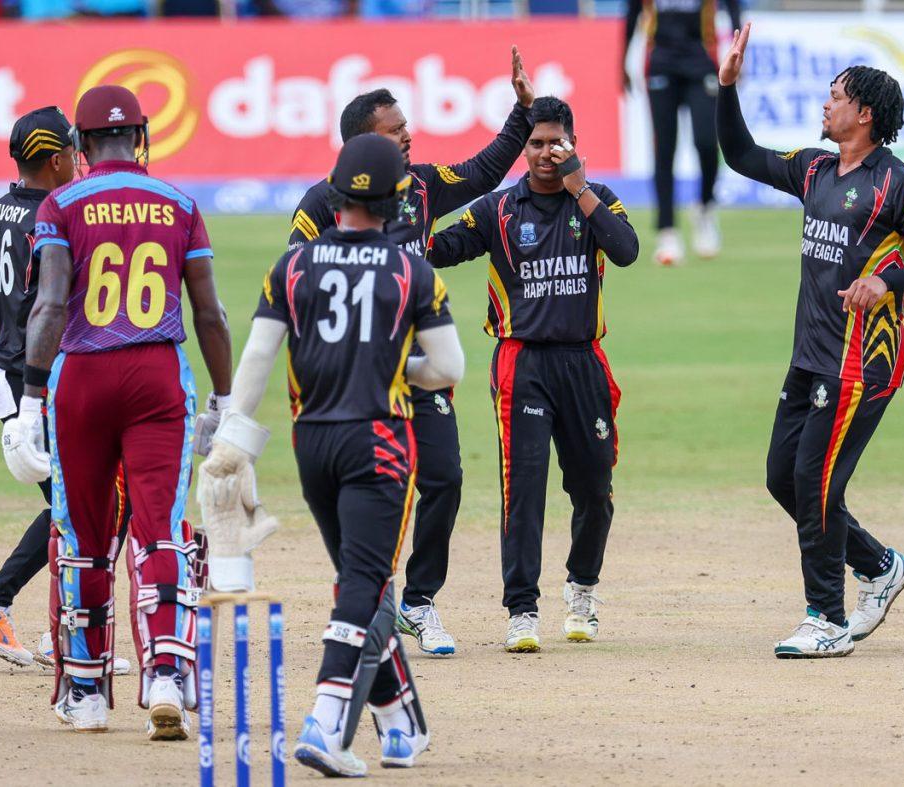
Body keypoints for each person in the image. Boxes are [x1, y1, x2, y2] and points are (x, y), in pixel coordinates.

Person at [201, 133, 463, 775]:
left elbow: (259, 358)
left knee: (359, 581)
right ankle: (325, 720)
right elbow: (449, 368)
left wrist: (232, 438)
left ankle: (399, 721)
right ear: (397, 199)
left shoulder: (291, 267)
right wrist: (399, 367)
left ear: (337, 197)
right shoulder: (412, 271)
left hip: (311, 442)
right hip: (379, 441)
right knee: (364, 584)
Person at [717, 24, 904, 658]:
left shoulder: (899, 185)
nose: (825, 105)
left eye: (835, 96)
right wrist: (726, 88)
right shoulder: (815, 168)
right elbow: (742, 155)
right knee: (783, 478)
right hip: (811, 355)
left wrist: (887, 280)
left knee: (816, 481)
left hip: (864, 361)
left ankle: (825, 619)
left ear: (864, 113)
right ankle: (879, 566)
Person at [287, 46, 535, 656]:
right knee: (367, 491)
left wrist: (522, 116)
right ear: (359, 146)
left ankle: (419, 603)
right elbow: (295, 284)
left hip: (422, 372)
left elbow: (481, 172)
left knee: (444, 479)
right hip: (353, 378)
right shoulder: (320, 205)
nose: (408, 137)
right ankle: (372, 596)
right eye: (395, 131)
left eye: (406, 127)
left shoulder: (420, 186)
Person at [5, 84, 233, 736]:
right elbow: (210, 313)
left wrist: (29, 395)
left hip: (82, 376)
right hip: (158, 374)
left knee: (83, 535)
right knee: (159, 525)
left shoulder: (61, 202)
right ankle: (165, 670)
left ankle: (85, 689)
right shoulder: (180, 202)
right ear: (141, 137)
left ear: (80, 145)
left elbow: (49, 306)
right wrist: (222, 397)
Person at [428, 96, 639, 653]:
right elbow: (437, 249)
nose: (547, 153)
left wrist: (580, 188)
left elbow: (627, 252)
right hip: (520, 363)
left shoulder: (596, 201)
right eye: (537, 143)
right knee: (523, 491)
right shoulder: (499, 210)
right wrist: (400, 223)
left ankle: (582, 588)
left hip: (584, 361)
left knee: (594, 487)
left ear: (573, 143)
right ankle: (522, 609)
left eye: (557, 143)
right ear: (524, 148)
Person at [0, 106, 131, 677]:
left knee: (78, 508)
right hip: (52, 378)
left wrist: (12, 353)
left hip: (7, 376)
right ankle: (1, 605)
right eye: (72, 152)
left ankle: (49, 620)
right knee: (91, 505)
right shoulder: (61, 216)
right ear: (57, 158)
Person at [624, 0, 741, 265]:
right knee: (664, 148)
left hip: (701, 59)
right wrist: (622, 61)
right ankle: (667, 232)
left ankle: (705, 207)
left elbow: (733, 6)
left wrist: (737, 54)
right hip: (661, 61)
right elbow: (632, 13)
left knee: (708, 141)